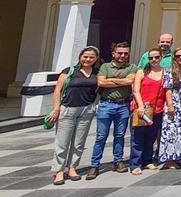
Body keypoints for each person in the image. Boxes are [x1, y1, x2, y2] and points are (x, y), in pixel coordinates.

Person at [48, 46, 100, 184]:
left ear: (96, 59)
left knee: (79, 142)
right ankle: (59, 171)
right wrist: (56, 108)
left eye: (91, 57)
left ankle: (72, 168)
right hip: (68, 109)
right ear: (80, 57)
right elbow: (57, 90)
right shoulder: (69, 71)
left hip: (86, 109)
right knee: (62, 141)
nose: (88, 59)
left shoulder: (97, 72)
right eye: (85, 56)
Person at [88, 42, 135, 178]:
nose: (122, 56)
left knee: (120, 135)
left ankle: (118, 161)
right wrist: (122, 81)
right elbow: (101, 82)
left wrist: (112, 80)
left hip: (123, 105)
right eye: (120, 53)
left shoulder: (132, 67)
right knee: (101, 136)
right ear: (113, 54)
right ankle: (95, 165)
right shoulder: (105, 66)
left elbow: (130, 81)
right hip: (106, 105)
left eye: (125, 53)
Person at [129, 50, 168, 174]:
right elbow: (136, 90)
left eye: (157, 57)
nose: (154, 60)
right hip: (142, 108)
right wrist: (140, 106)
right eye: (151, 58)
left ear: (161, 58)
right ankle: (135, 163)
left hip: (157, 109)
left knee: (151, 136)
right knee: (138, 136)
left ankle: (147, 160)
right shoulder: (141, 72)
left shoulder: (165, 73)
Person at [158, 47, 181, 169]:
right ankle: (169, 159)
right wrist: (170, 105)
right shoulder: (170, 71)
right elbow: (168, 89)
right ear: (174, 58)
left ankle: (178, 156)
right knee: (171, 132)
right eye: (178, 56)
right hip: (175, 104)